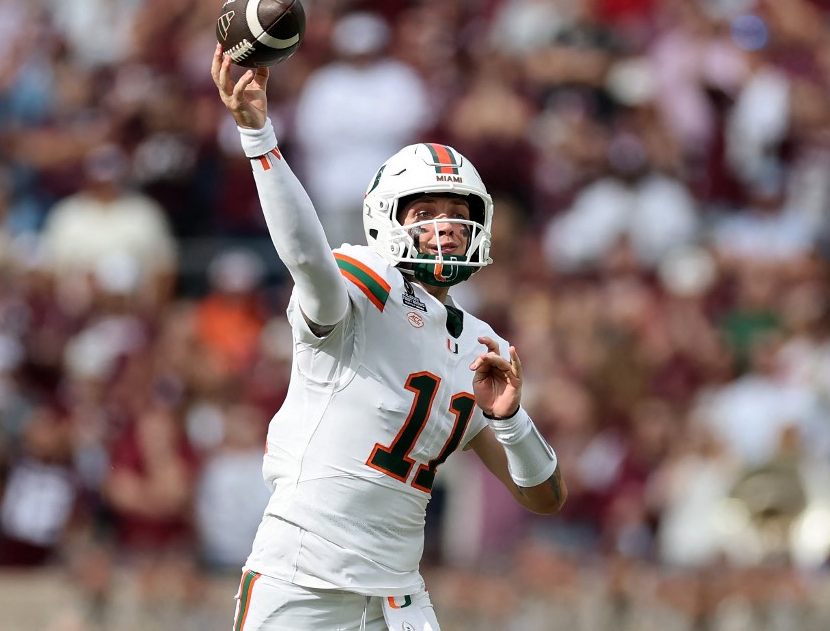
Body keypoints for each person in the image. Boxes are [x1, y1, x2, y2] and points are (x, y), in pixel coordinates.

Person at [211, 45, 567, 631]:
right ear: (384, 217)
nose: (445, 226)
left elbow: (543, 497)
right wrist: (259, 137)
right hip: (304, 577)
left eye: (457, 212)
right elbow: (307, 259)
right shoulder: (363, 282)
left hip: (398, 594)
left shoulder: (480, 345)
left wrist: (511, 421)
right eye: (424, 210)